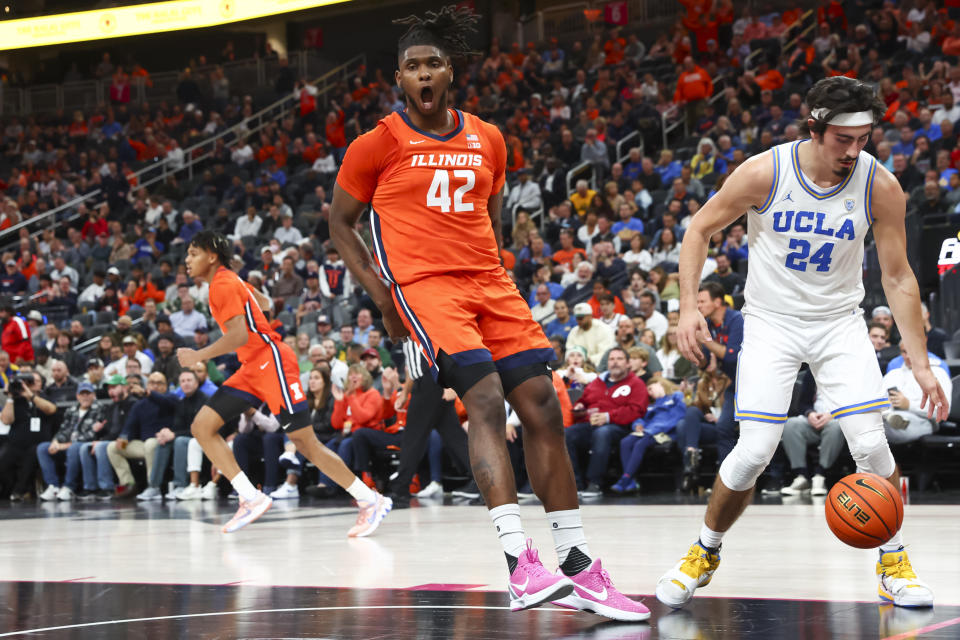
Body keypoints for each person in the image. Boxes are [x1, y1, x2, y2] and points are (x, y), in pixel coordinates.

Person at [329, 6, 648, 620]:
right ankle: (520, 564)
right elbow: (340, 224)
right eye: (412, 67)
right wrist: (383, 295)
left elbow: (490, 217)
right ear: (399, 78)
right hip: (426, 287)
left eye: (434, 64)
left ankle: (579, 567)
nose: (423, 75)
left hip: (489, 281)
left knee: (542, 405)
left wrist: (498, 271)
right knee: (483, 399)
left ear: (451, 71)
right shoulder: (377, 143)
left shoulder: (489, 137)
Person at [657, 76, 946, 610]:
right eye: (843, 139)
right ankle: (704, 551)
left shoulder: (879, 186)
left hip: (839, 321)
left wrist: (921, 362)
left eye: (864, 139)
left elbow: (900, 278)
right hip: (770, 320)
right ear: (814, 128)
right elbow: (698, 229)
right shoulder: (765, 172)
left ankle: (895, 561)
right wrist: (690, 306)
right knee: (753, 453)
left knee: (870, 442)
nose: (854, 150)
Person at [177, 231, 391, 535]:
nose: (187, 260)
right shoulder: (230, 281)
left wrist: (199, 354)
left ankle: (370, 500)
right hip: (252, 365)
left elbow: (238, 335)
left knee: (306, 443)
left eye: (192, 253)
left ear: (212, 255)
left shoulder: (223, 284)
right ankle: (250, 496)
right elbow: (263, 302)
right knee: (202, 426)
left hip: (271, 360)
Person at [563, 347, 649, 497]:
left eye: (619, 359)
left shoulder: (636, 384)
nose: (615, 363)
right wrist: (580, 406)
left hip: (621, 426)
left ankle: (594, 483)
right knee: (567, 434)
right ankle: (575, 484)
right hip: (592, 423)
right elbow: (584, 400)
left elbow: (636, 410)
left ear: (628, 363)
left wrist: (608, 416)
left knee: (603, 433)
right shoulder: (598, 382)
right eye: (611, 359)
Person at [36, 382, 105, 501]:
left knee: (74, 447)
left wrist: (65, 445)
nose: (85, 397)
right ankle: (53, 486)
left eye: (88, 394)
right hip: (66, 444)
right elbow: (64, 429)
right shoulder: (71, 410)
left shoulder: (99, 409)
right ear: (77, 396)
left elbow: (92, 434)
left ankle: (69, 487)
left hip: (84, 445)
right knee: (42, 448)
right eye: (82, 394)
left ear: (93, 395)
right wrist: (56, 441)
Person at [779, 369, 843, 496]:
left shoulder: (848, 371)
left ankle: (820, 476)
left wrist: (833, 415)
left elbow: (854, 403)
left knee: (836, 426)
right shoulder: (812, 371)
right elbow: (803, 404)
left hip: (838, 419)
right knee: (790, 424)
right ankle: (801, 476)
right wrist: (810, 413)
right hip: (814, 419)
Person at [881, 342, 952, 445]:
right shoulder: (892, 375)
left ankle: (888, 422)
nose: (908, 356)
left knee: (888, 427)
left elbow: (943, 410)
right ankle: (887, 419)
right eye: (905, 352)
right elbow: (881, 401)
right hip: (889, 416)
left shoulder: (938, 373)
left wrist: (909, 405)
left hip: (923, 420)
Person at [0, 371, 56, 500]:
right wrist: (10, 396)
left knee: (31, 456)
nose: (32, 384)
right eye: (29, 382)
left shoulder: (46, 397)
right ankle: (6, 492)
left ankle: (20, 491)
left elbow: (51, 409)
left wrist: (31, 396)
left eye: (35, 381)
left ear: (41, 384)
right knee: (3, 462)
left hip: (38, 443)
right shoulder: (17, 400)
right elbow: (6, 420)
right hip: (16, 443)